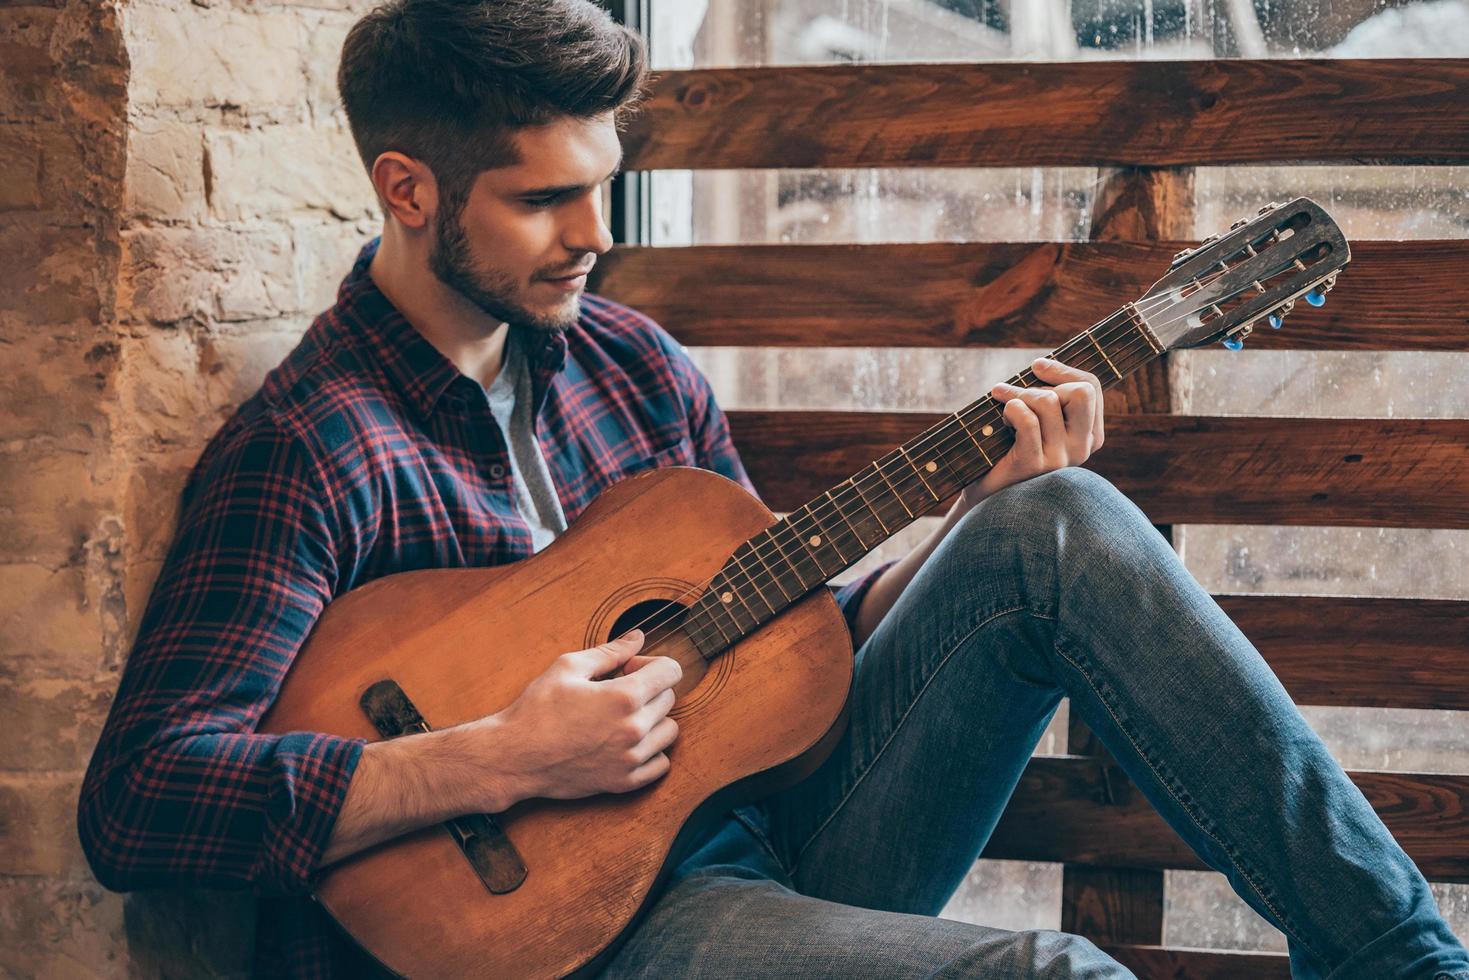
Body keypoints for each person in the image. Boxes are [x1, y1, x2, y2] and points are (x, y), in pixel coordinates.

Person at [78, 1, 1469, 977]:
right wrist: (499, 756)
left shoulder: (626, 364)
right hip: (563, 944)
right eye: (542, 201)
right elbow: (142, 800)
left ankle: (1399, 963)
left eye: (605, 188)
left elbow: (768, 633)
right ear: (407, 187)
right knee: (1055, 974)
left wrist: (957, 518)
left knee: (1056, 524)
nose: (593, 239)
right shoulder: (309, 449)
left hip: (763, 833)